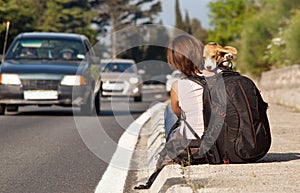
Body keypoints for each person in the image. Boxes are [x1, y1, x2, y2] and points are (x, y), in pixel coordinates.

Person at [135, 35, 205, 190]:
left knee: (169, 110)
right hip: (216, 141)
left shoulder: (178, 86)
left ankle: (170, 147)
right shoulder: (215, 81)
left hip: (194, 146)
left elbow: (177, 113)